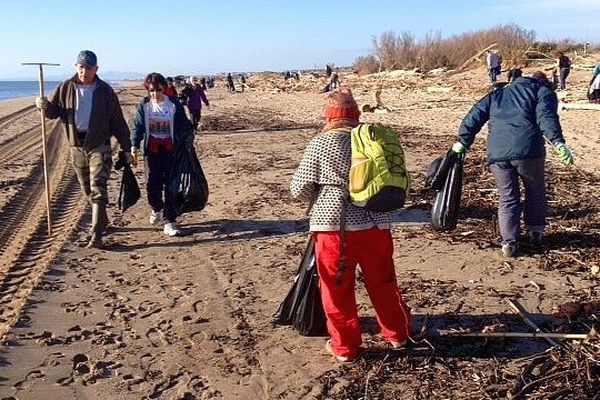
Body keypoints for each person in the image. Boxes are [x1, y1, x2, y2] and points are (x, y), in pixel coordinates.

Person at [290, 88, 411, 363]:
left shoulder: (321, 143)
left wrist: (319, 197)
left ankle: (345, 347)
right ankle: (398, 335)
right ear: (355, 114)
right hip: (377, 223)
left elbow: (299, 188)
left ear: (330, 116)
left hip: (334, 227)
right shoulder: (373, 137)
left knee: (336, 289)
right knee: (384, 283)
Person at [452, 71, 574, 258]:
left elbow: (474, 115)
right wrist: (558, 142)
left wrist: (463, 141)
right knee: (535, 190)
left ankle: (509, 242)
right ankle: (535, 232)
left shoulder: (498, 93)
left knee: (507, 197)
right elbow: (546, 118)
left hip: (498, 153)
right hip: (529, 152)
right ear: (543, 81)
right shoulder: (542, 91)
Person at [35, 50, 132, 249]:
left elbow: (118, 122)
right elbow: (54, 112)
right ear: (76, 67)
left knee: (98, 189)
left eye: (88, 68)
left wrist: (127, 147)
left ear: (96, 69)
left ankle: (96, 235)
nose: (84, 71)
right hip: (76, 147)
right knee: (87, 189)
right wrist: (43, 106)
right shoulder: (65, 87)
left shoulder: (105, 91)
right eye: (81, 67)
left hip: (99, 145)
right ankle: (102, 221)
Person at [131, 73, 194, 237]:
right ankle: (156, 208)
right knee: (153, 187)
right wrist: (133, 146)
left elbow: (184, 125)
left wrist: (187, 140)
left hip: (171, 152)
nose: (154, 93)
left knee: (172, 187)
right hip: (152, 153)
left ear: (164, 88)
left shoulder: (173, 105)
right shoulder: (144, 106)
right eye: (151, 90)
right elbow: (137, 127)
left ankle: (170, 221)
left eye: (158, 89)